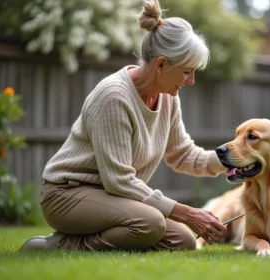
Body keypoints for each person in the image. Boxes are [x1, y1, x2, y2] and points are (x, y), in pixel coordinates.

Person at [19, 0, 228, 252]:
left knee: (182, 240)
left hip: (118, 198)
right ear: (161, 64)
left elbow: (182, 154)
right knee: (149, 223)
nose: (191, 81)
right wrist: (186, 212)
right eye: (187, 72)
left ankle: (122, 241)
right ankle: (58, 246)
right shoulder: (114, 96)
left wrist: (231, 161)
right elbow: (118, 180)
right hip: (68, 195)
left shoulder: (168, 98)